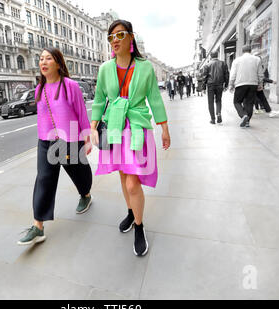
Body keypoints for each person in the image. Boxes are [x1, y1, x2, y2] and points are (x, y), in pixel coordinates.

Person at [90, 19, 171, 257]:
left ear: (131, 38)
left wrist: (164, 128)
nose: (114, 40)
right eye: (111, 37)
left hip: (137, 125)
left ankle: (139, 226)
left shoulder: (144, 67)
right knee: (124, 175)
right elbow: (98, 99)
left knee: (133, 181)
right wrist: (93, 126)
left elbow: (155, 98)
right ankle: (130, 211)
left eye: (119, 35)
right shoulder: (105, 69)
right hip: (115, 125)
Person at [18, 47, 93, 246]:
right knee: (44, 179)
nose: (43, 62)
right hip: (46, 142)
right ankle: (38, 226)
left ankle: (85, 194)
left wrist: (86, 138)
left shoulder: (70, 86)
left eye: (48, 59)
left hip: (70, 140)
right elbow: (42, 117)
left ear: (58, 63)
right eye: (41, 59)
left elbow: (81, 113)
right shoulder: (39, 89)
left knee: (79, 173)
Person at [228, 45, 264, 128]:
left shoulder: (236, 60)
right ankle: (247, 122)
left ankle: (243, 115)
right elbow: (260, 74)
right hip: (253, 84)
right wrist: (260, 84)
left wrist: (231, 84)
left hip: (240, 84)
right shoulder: (257, 59)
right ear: (250, 50)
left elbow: (233, 74)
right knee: (249, 103)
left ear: (242, 51)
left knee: (237, 102)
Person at [203, 51, 229, 124]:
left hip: (210, 85)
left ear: (210, 56)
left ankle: (213, 119)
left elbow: (204, 77)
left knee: (210, 102)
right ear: (217, 55)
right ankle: (219, 113)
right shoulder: (223, 63)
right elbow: (226, 74)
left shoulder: (207, 65)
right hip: (220, 84)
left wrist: (203, 88)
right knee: (218, 100)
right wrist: (226, 84)